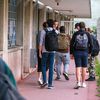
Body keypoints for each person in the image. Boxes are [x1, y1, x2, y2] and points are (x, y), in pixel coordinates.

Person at [70, 22, 93, 89]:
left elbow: (71, 44)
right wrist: (89, 52)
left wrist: (71, 53)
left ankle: (78, 82)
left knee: (78, 67)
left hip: (77, 52)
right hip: (85, 52)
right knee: (84, 68)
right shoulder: (87, 34)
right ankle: (83, 83)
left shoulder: (75, 33)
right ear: (84, 27)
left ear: (79, 27)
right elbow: (91, 44)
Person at [39, 19, 55, 89]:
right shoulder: (56, 31)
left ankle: (45, 81)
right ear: (53, 24)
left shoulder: (43, 31)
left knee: (43, 65)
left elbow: (40, 43)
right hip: (52, 51)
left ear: (47, 24)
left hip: (45, 51)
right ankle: (50, 84)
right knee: (51, 67)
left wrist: (40, 52)